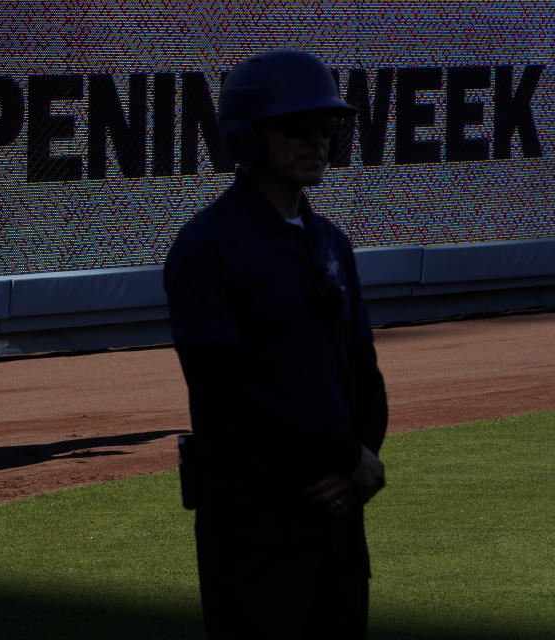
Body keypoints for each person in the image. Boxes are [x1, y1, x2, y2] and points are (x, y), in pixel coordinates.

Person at [164, 50, 388, 638]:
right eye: (295, 126)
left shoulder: (331, 243)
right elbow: (225, 391)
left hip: (336, 518)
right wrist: (346, 459)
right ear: (247, 135)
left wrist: (365, 461)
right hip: (254, 523)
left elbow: (362, 369)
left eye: (325, 126)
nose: (315, 139)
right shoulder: (206, 247)